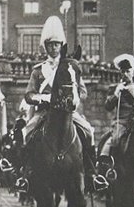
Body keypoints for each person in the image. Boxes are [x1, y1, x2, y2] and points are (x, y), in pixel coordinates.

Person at [21, 16, 99, 184]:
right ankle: (26, 173)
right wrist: (43, 98)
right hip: (44, 112)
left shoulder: (69, 67)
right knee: (26, 133)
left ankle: (91, 171)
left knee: (88, 131)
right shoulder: (39, 70)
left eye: (56, 44)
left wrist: (75, 99)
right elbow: (29, 95)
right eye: (50, 45)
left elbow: (82, 91)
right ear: (46, 47)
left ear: (60, 46)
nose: (53, 48)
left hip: (68, 112)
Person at [101, 53, 134, 157]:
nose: (125, 74)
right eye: (123, 71)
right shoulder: (115, 88)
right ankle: (112, 166)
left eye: (128, 71)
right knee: (115, 140)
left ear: (133, 72)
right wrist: (116, 93)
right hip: (122, 123)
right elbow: (108, 107)